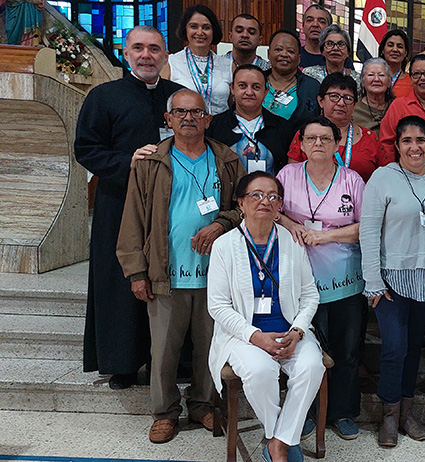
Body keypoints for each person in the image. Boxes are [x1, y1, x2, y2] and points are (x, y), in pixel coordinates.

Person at [117, 89, 244, 444]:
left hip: (215, 277)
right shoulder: (150, 163)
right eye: (181, 112)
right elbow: (132, 221)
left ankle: (203, 405)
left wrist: (221, 223)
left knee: (210, 347)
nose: (189, 118)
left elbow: (243, 208)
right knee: (164, 352)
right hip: (165, 274)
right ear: (168, 119)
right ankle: (165, 412)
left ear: (208, 118)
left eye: (196, 112)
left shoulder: (227, 160)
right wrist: (137, 272)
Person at [75, 25, 184, 390]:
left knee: (165, 280)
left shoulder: (178, 97)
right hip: (119, 203)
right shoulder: (103, 97)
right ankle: (121, 362)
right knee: (120, 281)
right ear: (126, 53)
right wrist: (127, 163)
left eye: (154, 49)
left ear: (166, 55)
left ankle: (166, 359)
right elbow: (86, 149)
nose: (146, 55)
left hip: (170, 206)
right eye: (139, 48)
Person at [206, 171, 325, 462]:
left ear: (280, 205)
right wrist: (255, 336)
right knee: (260, 371)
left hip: (290, 332)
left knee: (312, 366)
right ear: (241, 203)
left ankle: (278, 441)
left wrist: (297, 332)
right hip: (243, 335)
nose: (265, 201)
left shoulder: (291, 241)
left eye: (272, 196)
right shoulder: (225, 246)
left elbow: (310, 295)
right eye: (256, 195)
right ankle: (280, 441)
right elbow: (218, 306)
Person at [360, 116, 425, 448]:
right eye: (407, 141)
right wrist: (373, 280)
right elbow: (368, 231)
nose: (415, 147)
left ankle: (406, 412)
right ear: (397, 145)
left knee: (414, 347)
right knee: (394, 348)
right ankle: (388, 413)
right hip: (390, 279)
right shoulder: (382, 178)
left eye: (421, 140)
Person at [276, 117, 367, 441]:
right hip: (299, 282)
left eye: (325, 139)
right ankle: (306, 412)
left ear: (337, 144)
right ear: (301, 144)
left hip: (344, 281)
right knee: (303, 353)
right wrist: (293, 227)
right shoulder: (287, 175)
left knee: (345, 350)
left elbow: (365, 227)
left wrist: (327, 237)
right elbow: (274, 212)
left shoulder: (352, 180)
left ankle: (343, 412)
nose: (318, 144)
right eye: (311, 138)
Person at [286, 73, 387, 183]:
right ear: (320, 101)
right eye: (334, 96)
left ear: (355, 105)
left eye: (347, 98)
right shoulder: (305, 134)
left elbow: (384, 179)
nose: (341, 103)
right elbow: (293, 178)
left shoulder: (370, 139)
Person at [208, 64, 292, 174]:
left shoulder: (283, 128)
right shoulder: (214, 126)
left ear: (265, 92)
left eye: (256, 87)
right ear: (232, 88)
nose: (249, 92)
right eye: (242, 86)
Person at [165, 5, 232, 115]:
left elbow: (231, 102)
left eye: (206, 27)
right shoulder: (171, 62)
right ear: (185, 29)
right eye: (194, 26)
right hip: (186, 126)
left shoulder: (228, 64)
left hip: (221, 128)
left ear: (213, 30)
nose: (200, 32)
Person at [379, 54, 425, 159]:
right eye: (416, 74)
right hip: (407, 171)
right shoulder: (399, 106)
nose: (423, 78)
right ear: (410, 79)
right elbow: (386, 145)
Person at [263, 30, 321, 128]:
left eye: (290, 51)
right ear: (269, 54)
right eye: (278, 50)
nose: (284, 54)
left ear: (299, 58)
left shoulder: (312, 87)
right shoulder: (255, 82)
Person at [353, 58, 394, 134]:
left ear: (389, 82)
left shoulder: (396, 107)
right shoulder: (353, 109)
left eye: (381, 75)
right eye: (371, 75)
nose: (376, 79)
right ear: (362, 82)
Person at [380, 29, 412, 98]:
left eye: (400, 46)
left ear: (406, 53)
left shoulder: (412, 81)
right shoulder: (373, 78)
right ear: (382, 50)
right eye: (390, 45)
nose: (395, 49)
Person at [299, 4, 331, 68]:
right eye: (310, 20)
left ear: (329, 28)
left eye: (321, 21)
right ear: (302, 26)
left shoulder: (338, 58)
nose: (315, 25)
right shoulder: (294, 56)